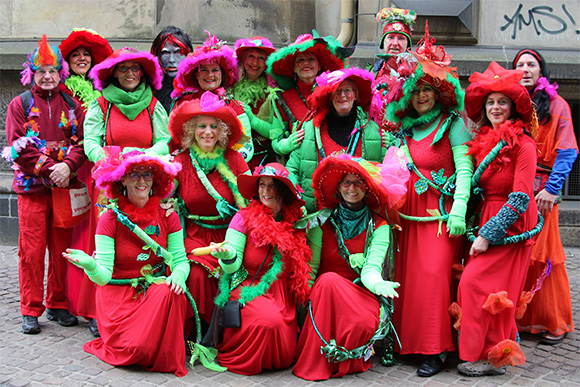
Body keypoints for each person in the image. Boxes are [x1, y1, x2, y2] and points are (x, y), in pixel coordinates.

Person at [384, 25, 473, 377]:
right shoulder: (404, 129)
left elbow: (465, 169)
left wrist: (461, 209)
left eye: (428, 89)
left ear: (440, 92)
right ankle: (409, 343)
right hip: (408, 217)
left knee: (434, 277)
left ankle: (436, 349)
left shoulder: (454, 125)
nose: (422, 95)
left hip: (441, 216)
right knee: (408, 279)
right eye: (416, 89)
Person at [63, 149, 190, 376]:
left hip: (152, 292)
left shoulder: (168, 214)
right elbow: (103, 276)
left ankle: (162, 351)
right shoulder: (110, 218)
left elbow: (180, 261)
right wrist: (90, 265)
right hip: (118, 298)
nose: (142, 181)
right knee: (135, 349)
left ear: (155, 179)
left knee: (172, 291)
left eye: (147, 174)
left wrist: (178, 275)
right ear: (122, 179)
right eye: (134, 175)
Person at [293, 152, 409, 381]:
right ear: (338, 188)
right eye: (346, 182)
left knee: (336, 290)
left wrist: (377, 282)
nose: (352, 188)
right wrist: (301, 299)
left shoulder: (380, 225)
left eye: (358, 182)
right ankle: (318, 361)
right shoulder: (321, 222)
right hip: (325, 297)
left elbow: (371, 268)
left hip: (360, 295)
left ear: (367, 188)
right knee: (327, 281)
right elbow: (312, 269)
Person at [456, 61, 540, 376]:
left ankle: (490, 357)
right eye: (490, 102)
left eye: (502, 102)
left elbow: (520, 198)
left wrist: (487, 234)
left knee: (478, 285)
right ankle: (489, 349)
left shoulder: (525, 146)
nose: (495, 107)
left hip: (511, 226)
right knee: (482, 288)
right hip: (488, 218)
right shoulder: (486, 143)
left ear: (513, 107)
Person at [79, 47, 171, 335]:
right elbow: (90, 142)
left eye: (135, 68)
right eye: (123, 69)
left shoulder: (153, 104)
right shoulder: (101, 105)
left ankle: (139, 302)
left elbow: (165, 140)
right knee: (107, 245)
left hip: (143, 183)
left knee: (138, 243)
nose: (130, 73)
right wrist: (113, 160)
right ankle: (99, 310)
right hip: (110, 186)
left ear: (143, 72)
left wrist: (140, 158)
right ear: (114, 74)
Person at [2, 35, 86, 334]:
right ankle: (30, 308)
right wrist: (52, 170)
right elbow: (19, 147)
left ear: (60, 73)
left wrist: (68, 166)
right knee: (32, 251)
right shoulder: (19, 104)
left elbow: (82, 142)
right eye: (41, 72)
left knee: (63, 250)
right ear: (31, 74)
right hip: (32, 191)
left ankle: (58, 304)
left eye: (52, 71)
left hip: (64, 190)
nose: (48, 76)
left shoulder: (72, 104)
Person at [208, 163, 312, 375]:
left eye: (272, 186)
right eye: (262, 185)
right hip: (249, 288)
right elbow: (232, 264)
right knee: (268, 322)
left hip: (283, 296)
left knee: (286, 352)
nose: (265, 191)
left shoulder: (296, 222)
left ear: (283, 191)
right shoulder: (243, 218)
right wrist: (227, 256)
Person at [512, 49, 577, 345]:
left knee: (544, 254)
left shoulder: (557, 104)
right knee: (516, 252)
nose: (525, 69)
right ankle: (520, 319)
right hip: (514, 186)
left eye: (531, 65)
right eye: (519, 65)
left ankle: (553, 320)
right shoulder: (509, 102)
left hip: (542, 191)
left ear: (542, 71)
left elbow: (568, 149)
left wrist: (552, 189)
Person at [168, 91, 249, 328]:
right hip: (194, 236)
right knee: (196, 274)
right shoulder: (180, 162)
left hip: (230, 236)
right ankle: (196, 331)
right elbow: (161, 192)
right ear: (191, 130)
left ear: (222, 131)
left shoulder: (235, 160)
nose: (207, 132)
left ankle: (222, 334)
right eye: (201, 126)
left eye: (214, 126)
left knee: (230, 272)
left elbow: (250, 202)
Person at [59, 28, 113, 333]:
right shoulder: (62, 89)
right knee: (76, 235)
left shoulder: (104, 91)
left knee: (98, 233)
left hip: (100, 169)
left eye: (86, 55)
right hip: (75, 168)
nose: (81, 59)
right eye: (76, 55)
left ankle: (95, 305)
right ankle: (71, 301)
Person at [286, 68, 386, 212]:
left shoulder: (372, 131)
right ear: (329, 96)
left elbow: (384, 170)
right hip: (317, 216)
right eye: (337, 91)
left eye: (347, 90)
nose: (342, 95)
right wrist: (298, 198)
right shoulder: (310, 129)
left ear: (356, 95)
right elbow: (292, 168)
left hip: (359, 214)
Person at [171, 31, 254, 163]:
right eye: (204, 70)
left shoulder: (235, 106)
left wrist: (218, 162)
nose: (210, 75)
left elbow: (246, 147)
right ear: (196, 75)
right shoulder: (182, 102)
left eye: (215, 70)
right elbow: (171, 140)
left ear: (222, 74)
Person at [264, 31, 349, 157]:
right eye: (300, 60)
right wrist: (287, 144)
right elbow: (276, 141)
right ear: (293, 68)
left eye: (311, 59)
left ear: (320, 66)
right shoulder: (283, 99)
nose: (306, 63)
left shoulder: (334, 94)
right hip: (299, 166)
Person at [233, 36, 280, 169]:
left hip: (263, 159)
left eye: (261, 58)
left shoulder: (273, 92)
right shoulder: (230, 87)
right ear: (243, 59)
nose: (255, 62)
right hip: (234, 158)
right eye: (251, 56)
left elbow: (275, 132)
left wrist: (252, 119)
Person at [372, 7, 416, 133]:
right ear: (383, 42)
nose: (395, 43)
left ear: (408, 45)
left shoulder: (419, 73)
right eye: (390, 37)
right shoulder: (372, 74)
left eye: (401, 38)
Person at [150, 25, 193, 113]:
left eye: (177, 52)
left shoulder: (197, 85)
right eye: (166, 53)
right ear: (158, 56)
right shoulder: (149, 86)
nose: (172, 60)